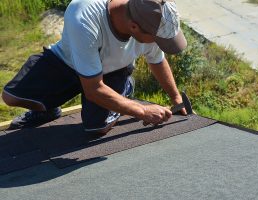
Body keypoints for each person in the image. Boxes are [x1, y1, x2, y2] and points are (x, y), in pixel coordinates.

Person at [1, 0, 187, 134]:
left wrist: (177, 99)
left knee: (96, 128)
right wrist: (142, 110)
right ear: (134, 27)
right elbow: (94, 89)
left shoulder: (148, 19)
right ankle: (48, 110)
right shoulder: (84, 15)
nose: (158, 43)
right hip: (68, 63)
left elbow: (157, 60)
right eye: (157, 39)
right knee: (11, 97)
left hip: (113, 70)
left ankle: (123, 86)